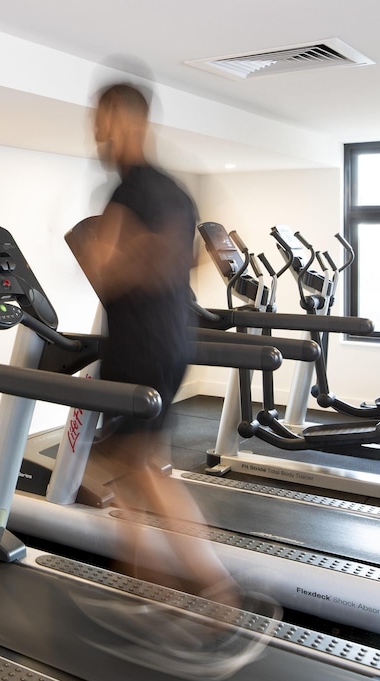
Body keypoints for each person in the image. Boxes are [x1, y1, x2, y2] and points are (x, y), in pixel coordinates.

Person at [70, 81, 240, 606]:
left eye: (102, 121)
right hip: (170, 341)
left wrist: (107, 251)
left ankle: (212, 585)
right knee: (135, 467)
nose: (97, 133)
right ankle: (144, 585)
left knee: (137, 468)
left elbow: (111, 269)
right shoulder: (176, 192)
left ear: (126, 121)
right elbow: (188, 259)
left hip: (138, 347)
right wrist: (146, 254)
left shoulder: (128, 192)